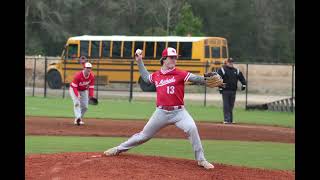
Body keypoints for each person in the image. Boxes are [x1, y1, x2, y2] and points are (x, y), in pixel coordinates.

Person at [103, 47, 218, 170]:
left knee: (192, 128)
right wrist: (139, 61)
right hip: (161, 112)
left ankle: (201, 160)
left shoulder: (180, 73)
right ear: (164, 59)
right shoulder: (157, 75)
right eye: (171, 57)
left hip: (179, 112)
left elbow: (196, 79)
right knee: (143, 136)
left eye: (175, 57)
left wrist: (206, 79)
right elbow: (146, 77)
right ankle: (118, 149)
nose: (174, 60)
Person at [216, 58, 246, 124]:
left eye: (232, 62)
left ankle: (231, 120)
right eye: (229, 62)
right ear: (226, 62)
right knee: (226, 105)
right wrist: (220, 88)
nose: (231, 63)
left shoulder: (236, 71)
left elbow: (242, 78)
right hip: (225, 90)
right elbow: (218, 79)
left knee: (231, 106)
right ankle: (226, 119)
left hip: (233, 90)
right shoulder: (222, 70)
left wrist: (244, 84)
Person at [69, 61, 95, 125]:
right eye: (87, 68)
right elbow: (74, 87)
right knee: (77, 103)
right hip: (74, 89)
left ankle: (79, 118)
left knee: (85, 107)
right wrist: (77, 95)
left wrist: (91, 96)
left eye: (90, 68)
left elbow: (91, 87)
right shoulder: (78, 75)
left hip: (84, 90)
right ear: (84, 68)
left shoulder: (91, 76)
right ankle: (78, 118)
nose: (89, 69)